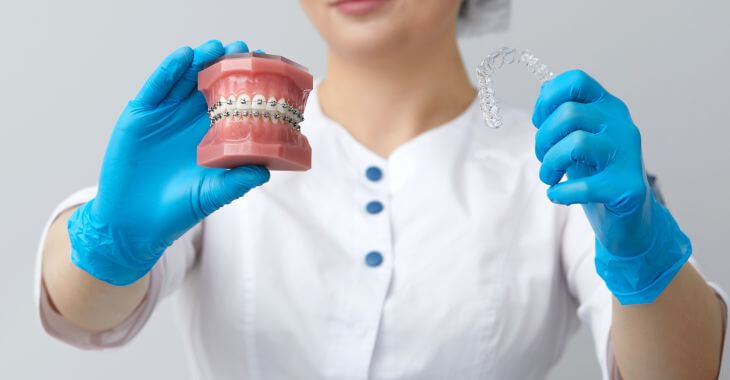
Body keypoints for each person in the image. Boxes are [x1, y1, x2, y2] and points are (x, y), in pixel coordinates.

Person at [37, 0, 728, 378]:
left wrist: (642, 253)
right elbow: (83, 314)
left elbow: (680, 373)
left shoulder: (558, 164)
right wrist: (109, 238)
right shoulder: (222, 146)